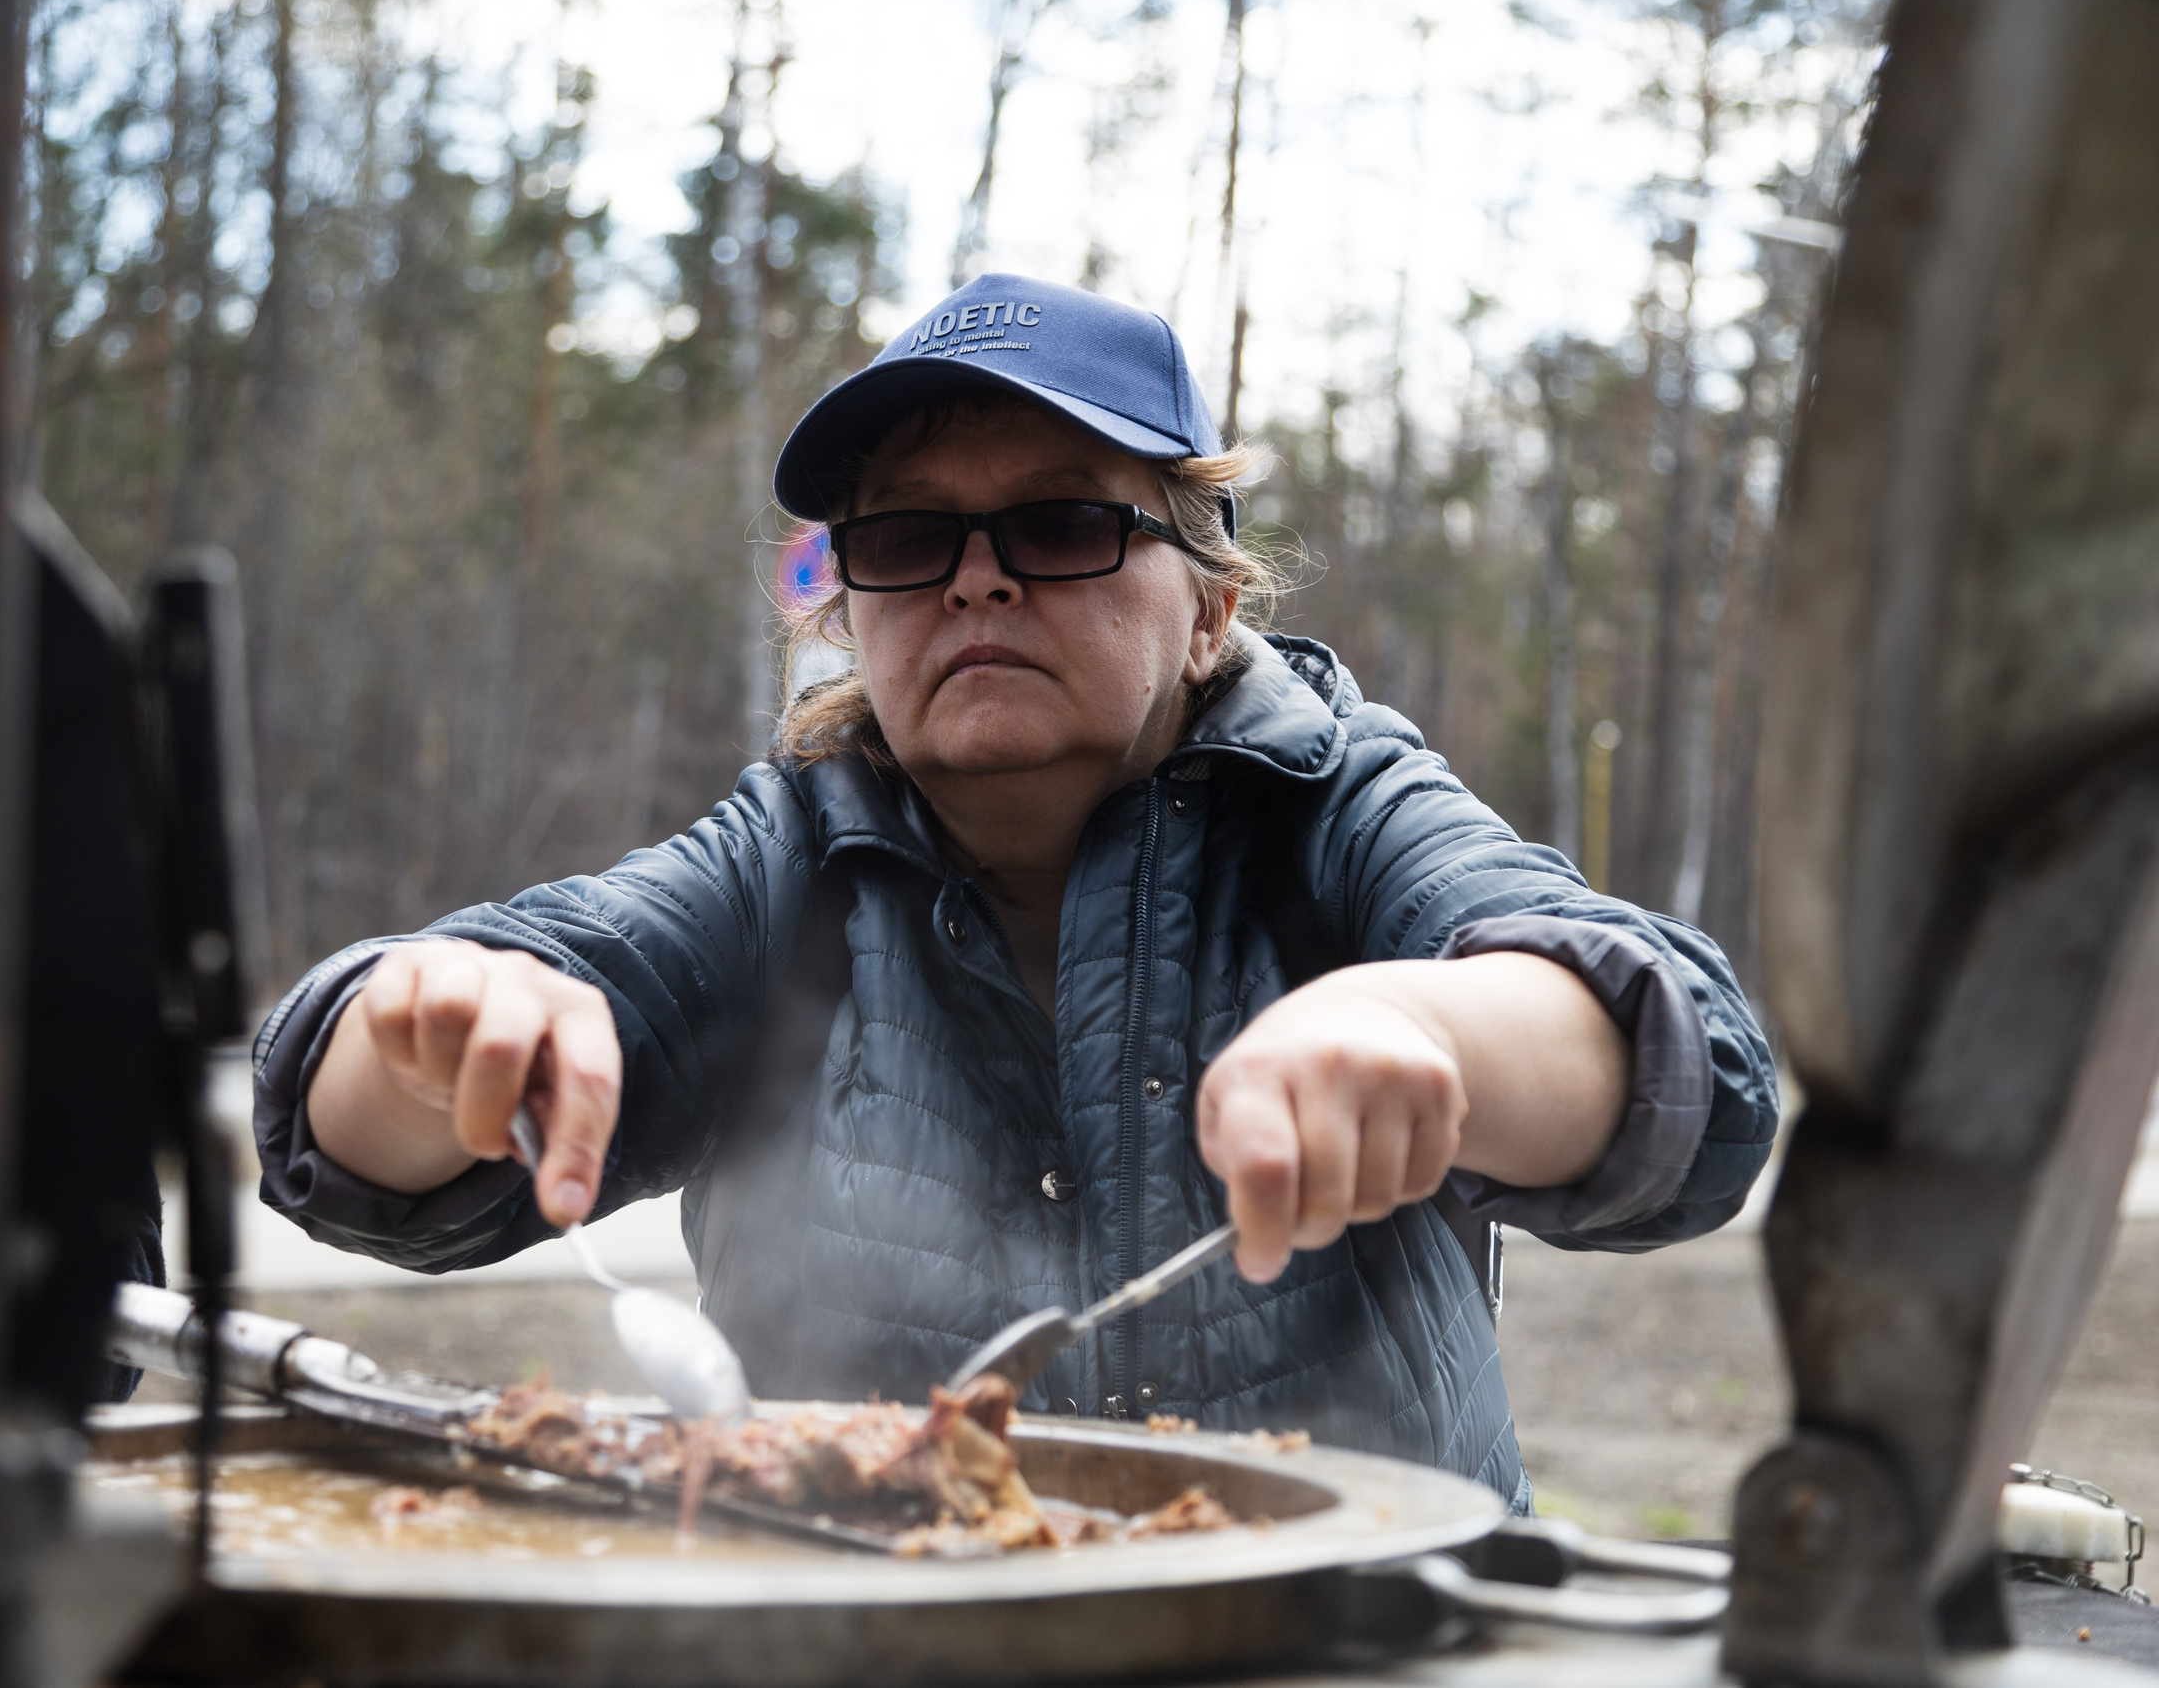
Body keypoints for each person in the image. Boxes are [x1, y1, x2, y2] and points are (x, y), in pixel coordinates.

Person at [253, 272, 1778, 1510]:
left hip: (1357, 1651)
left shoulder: (1335, 797)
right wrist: (412, 1037)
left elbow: (1691, 1070)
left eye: (1061, 523)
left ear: (1208, 613)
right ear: (854, 613)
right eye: (911, 539)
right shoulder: (786, 858)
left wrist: (1446, 1032)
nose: (979, 581)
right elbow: (358, 1131)